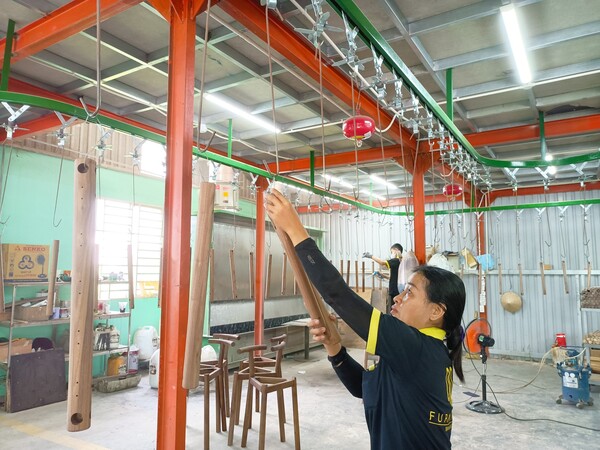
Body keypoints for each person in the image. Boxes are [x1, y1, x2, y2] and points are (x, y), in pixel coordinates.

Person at [265, 189, 466, 450]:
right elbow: (364, 387)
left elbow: (339, 295)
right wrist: (334, 347)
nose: (397, 299)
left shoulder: (417, 348)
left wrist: (297, 232)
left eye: (409, 293)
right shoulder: (417, 351)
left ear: (436, 312)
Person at [363, 244, 403, 313]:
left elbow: (382, 263)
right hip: (397, 290)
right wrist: (382, 275)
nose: (391, 254)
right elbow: (395, 277)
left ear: (396, 250)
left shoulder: (396, 260)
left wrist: (370, 256)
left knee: (394, 312)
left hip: (395, 291)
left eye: (392, 252)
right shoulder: (400, 262)